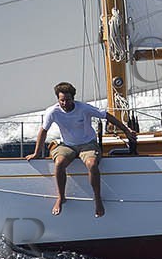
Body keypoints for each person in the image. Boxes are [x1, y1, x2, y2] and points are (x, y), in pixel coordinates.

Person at [25, 81, 137, 217]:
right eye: (61, 100)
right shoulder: (53, 111)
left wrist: (126, 131)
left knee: (92, 164)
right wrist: (36, 153)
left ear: (73, 98)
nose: (64, 103)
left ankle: (97, 199)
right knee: (59, 163)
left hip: (88, 144)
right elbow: (43, 131)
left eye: (67, 100)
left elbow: (107, 115)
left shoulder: (84, 108)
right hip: (67, 145)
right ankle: (61, 197)